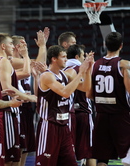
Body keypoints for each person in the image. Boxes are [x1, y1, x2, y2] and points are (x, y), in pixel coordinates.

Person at [35, 45, 93, 166]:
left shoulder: (65, 75)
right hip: (49, 126)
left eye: (66, 56)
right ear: (54, 59)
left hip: (64, 127)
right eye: (63, 57)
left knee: (70, 162)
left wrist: (87, 70)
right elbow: (65, 92)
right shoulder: (47, 76)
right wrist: (80, 72)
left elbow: (86, 88)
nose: (66, 59)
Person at [0, 33, 37, 166]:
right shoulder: (4, 61)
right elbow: (7, 88)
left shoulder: (3, 61)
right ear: (3, 46)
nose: (12, 46)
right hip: (6, 110)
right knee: (10, 157)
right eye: (10, 44)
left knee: (13, 155)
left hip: (7, 109)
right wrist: (29, 97)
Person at [87, 32, 130, 166]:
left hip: (101, 116)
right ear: (121, 46)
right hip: (120, 116)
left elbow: (88, 94)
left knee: (102, 157)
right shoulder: (124, 65)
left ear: (105, 45)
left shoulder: (95, 65)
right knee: (127, 154)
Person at [65, 44, 96, 166]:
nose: (84, 58)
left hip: (68, 113)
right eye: (83, 55)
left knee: (69, 151)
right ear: (77, 56)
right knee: (90, 152)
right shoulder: (81, 68)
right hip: (83, 112)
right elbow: (89, 91)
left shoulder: (63, 68)